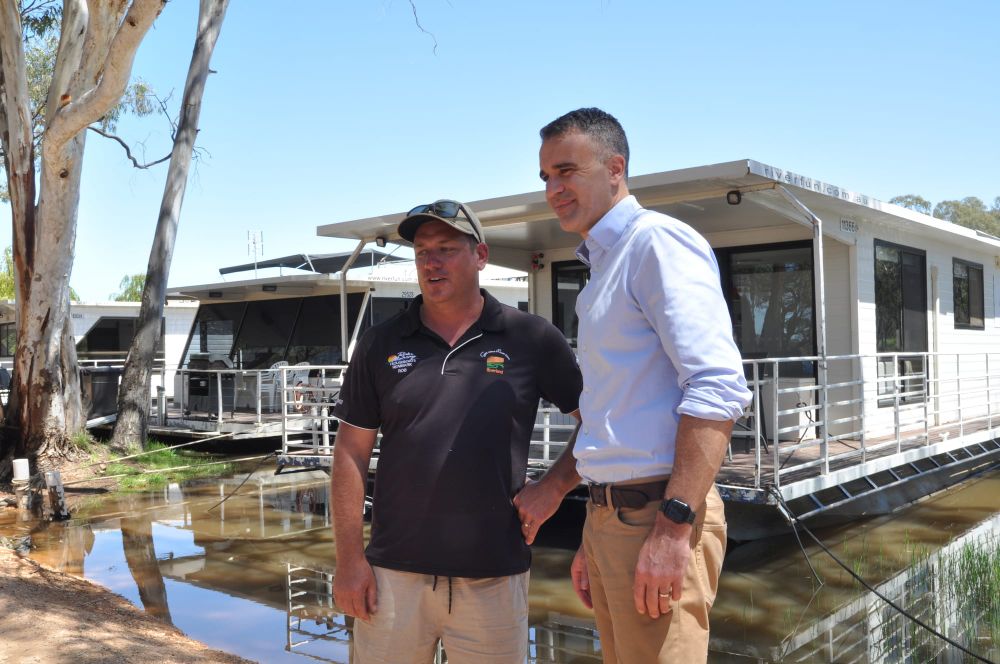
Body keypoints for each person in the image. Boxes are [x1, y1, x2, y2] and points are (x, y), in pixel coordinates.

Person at [516, 108, 752, 663]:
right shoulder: (605, 266)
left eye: (567, 170)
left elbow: (717, 386)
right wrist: (593, 531)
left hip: (658, 515)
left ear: (615, 167)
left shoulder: (656, 244)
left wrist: (673, 530)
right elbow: (609, 414)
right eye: (546, 176)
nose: (554, 188)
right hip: (613, 520)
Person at [331, 199, 582, 664]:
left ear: (480, 256)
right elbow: (349, 454)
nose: (431, 261)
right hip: (392, 576)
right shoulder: (380, 344)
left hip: (494, 575)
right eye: (422, 251)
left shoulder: (531, 338)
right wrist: (348, 562)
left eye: (446, 248)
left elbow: (599, 423)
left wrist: (554, 487)